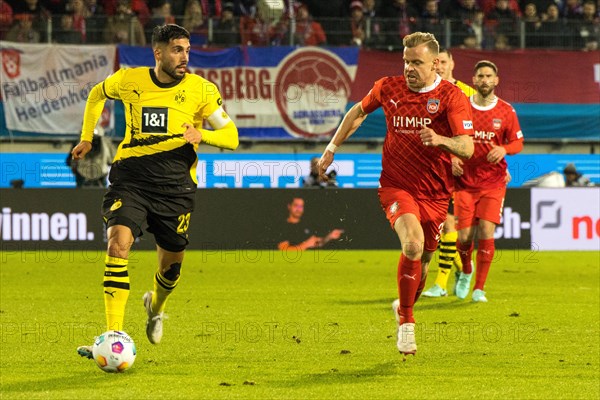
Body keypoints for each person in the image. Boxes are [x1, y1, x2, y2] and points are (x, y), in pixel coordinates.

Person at [73, 24, 239, 359]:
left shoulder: (201, 91)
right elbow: (96, 94)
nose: (184, 57)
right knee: (118, 244)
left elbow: (232, 137)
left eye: (188, 50)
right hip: (131, 179)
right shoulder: (130, 80)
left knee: (171, 266)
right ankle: (113, 333)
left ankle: (156, 307)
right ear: (158, 53)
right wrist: (87, 136)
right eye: (178, 50)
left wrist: (201, 135)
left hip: (175, 187)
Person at [317, 32, 474, 356]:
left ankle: (403, 305)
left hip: (435, 192)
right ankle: (407, 321)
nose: (409, 68)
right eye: (406, 61)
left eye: (416, 62)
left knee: (426, 258)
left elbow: (468, 147)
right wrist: (332, 147)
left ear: (435, 64)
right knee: (413, 244)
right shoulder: (388, 87)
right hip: (396, 185)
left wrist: (441, 141)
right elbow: (357, 113)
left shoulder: (450, 97)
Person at [453, 60, 524, 303]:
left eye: (488, 76)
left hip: (493, 182)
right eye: (480, 76)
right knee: (463, 237)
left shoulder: (506, 111)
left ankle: (479, 288)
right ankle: (466, 270)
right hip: (464, 182)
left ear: (496, 80)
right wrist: (453, 157)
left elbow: (518, 143)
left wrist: (504, 149)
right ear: (474, 80)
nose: (484, 80)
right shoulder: (462, 108)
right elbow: (451, 138)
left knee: (486, 231)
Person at [422, 48, 475, 299]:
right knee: (433, 227)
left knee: (448, 225)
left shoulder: (468, 94)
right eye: (436, 62)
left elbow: (476, 133)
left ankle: (440, 283)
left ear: (452, 63)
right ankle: (463, 269)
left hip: (461, 170)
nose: (440, 66)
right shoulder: (427, 93)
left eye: (443, 61)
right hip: (432, 168)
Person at [277, 197, 344, 251]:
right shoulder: (282, 226)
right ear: (289, 206)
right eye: (296, 205)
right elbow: (283, 250)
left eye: (301, 206)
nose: (298, 209)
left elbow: (315, 243)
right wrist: (305, 245)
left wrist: (329, 237)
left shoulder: (306, 224)